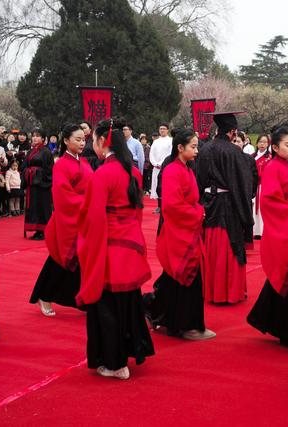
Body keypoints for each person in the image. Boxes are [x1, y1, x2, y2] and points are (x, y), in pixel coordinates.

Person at [76, 122, 154, 380]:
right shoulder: (132, 172)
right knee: (128, 304)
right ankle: (131, 352)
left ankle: (114, 362)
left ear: (102, 142)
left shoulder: (103, 174)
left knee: (107, 307)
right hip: (130, 244)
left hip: (109, 247)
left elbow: (94, 219)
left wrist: (87, 249)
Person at [143, 129, 216, 340]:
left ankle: (155, 310)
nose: (196, 150)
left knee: (176, 280)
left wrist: (197, 211)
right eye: (193, 146)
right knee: (184, 277)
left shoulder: (187, 169)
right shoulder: (173, 171)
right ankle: (186, 325)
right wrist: (198, 212)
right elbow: (172, 206)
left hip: (189, 231)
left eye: (196, 146)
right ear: (180, 148)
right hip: (178, 234)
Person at [247, 127, 288, 350]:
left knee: (286, 278)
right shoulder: (273, 168)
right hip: (284, 232)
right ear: (275, 147)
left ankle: (267, 320)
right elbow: (271, 204)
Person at [30, 124, 94, 316]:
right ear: (66, 141)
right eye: (78, 139)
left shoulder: (84, 162)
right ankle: (44, 295)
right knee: (60, 259)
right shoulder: (62, 165)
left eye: (84, 139)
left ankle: (82, 298)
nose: (82, 143)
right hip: (68, 220)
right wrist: (88, 204)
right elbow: (63, 195)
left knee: (81, 262)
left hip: (83, 219)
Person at [196, 112, 253, 304]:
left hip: (208, 202)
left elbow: (199, 180)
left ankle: (211, 291)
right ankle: (229, 292)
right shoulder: (234, 152)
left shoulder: (204, 150)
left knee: (213, 247)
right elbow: (243, 185)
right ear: (232, 131)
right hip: (229, 204)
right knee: (229, 247)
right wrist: (245, 211)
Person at [21, 129, 54, 240]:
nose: (35, 138)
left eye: (38, 136)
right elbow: (24, 166)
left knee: (43, 207)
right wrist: (28, 172)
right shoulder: (30, 152)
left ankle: (44, 230)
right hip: (32, 184)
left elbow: (49, 170)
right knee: (34, 207)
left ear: (43, 139)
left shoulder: (46, 152)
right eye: (33, 136)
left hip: (42, 185)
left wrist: (35, 172)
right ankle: (37, 229)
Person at [253, 134, 272, 238]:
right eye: (260, 142)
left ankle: (262, 231)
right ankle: (255, 231)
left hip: (263, 185)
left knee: (262, 209)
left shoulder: (269, 157)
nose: (262, 144)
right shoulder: (252, 156)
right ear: (257, 143)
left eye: (265, 142)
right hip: (253, 186)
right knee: (253, 208)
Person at [149, 123, 173, 204]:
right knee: (156, 186)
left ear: (167, 130)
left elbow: (170, 154)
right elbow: (151, 154)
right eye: (160, 129)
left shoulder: (171, 140)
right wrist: (155, 163)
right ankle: (159, 205)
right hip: (156, 167)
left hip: (166, 167)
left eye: (164, 128)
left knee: (165, 186)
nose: (162, 130)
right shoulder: (155, 142)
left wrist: (162, 163)